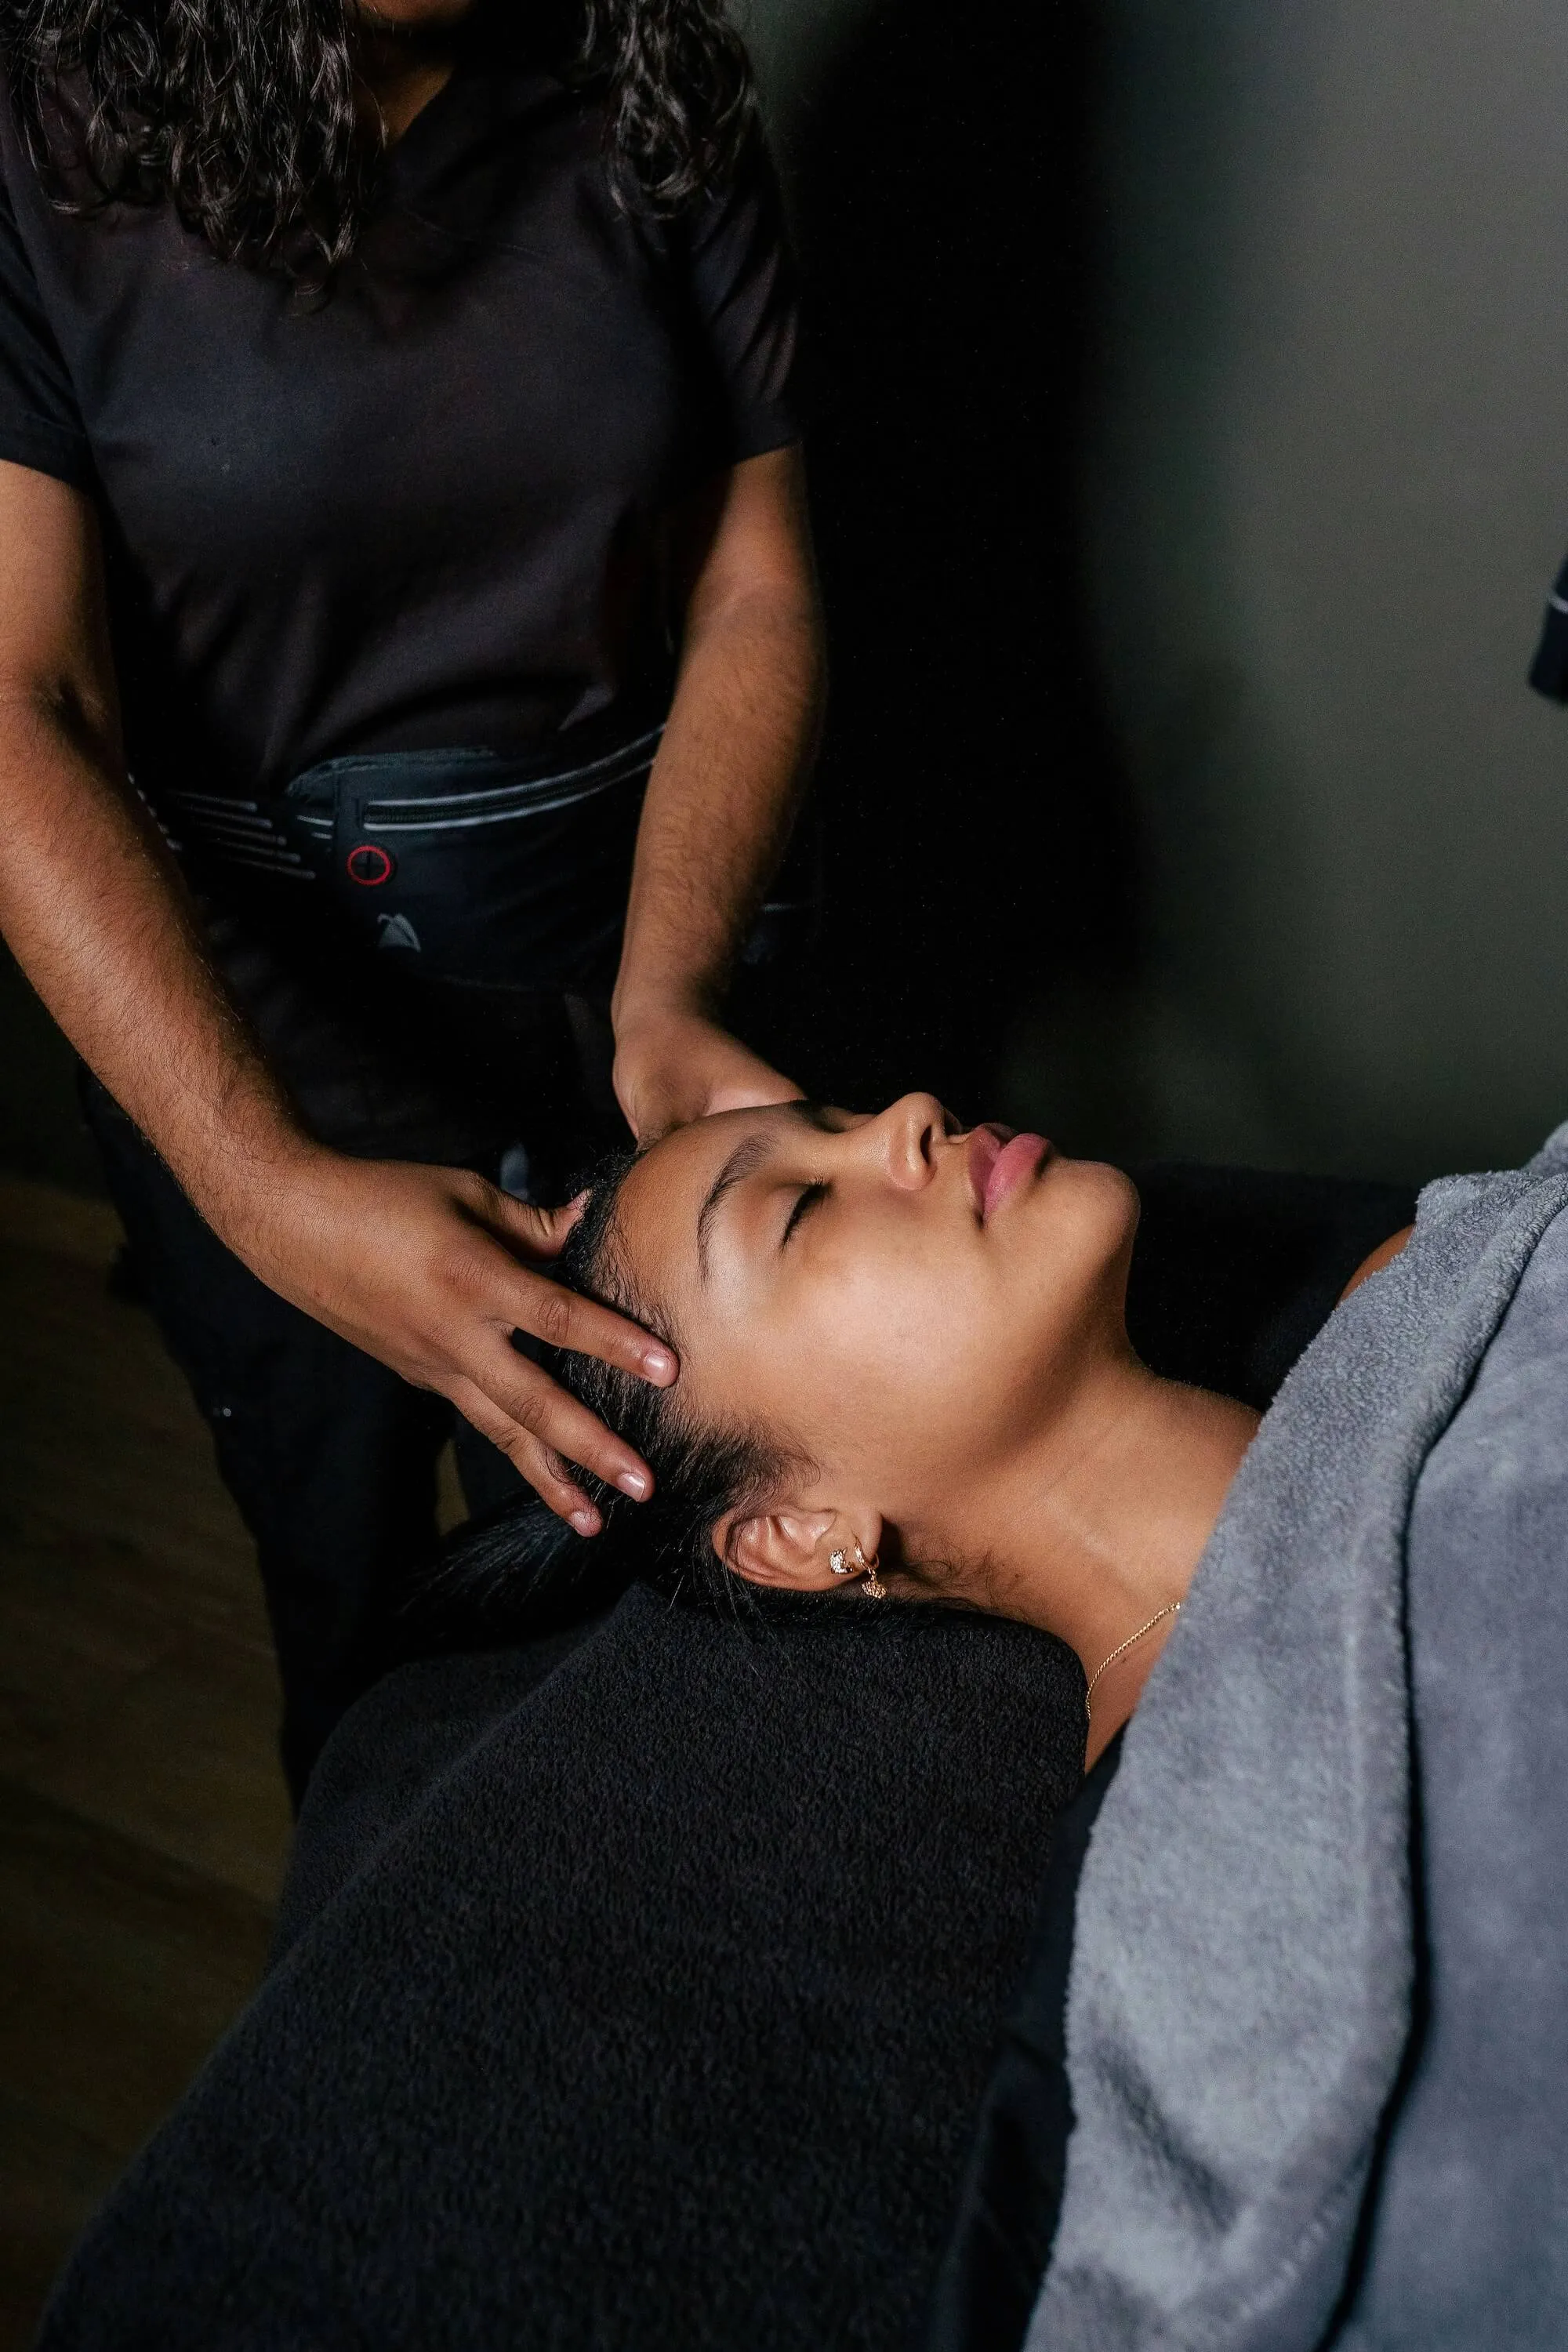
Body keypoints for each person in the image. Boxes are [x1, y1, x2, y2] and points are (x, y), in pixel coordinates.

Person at [0, 0, 822, 1794]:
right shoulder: (40, 140)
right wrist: (270, 1193)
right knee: (358, 1607)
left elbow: (750, 589)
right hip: (263, 1036)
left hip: (624, 974)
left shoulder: (643, 83)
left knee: (653, 1600)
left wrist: (667, 999)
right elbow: (18, 709)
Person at [449, 1092, 1568, 2348]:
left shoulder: (1427, 1283)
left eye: (837, 1113)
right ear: (799, 1532)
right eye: (802, 1207)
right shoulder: (1171, 1891)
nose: (911, 1114)